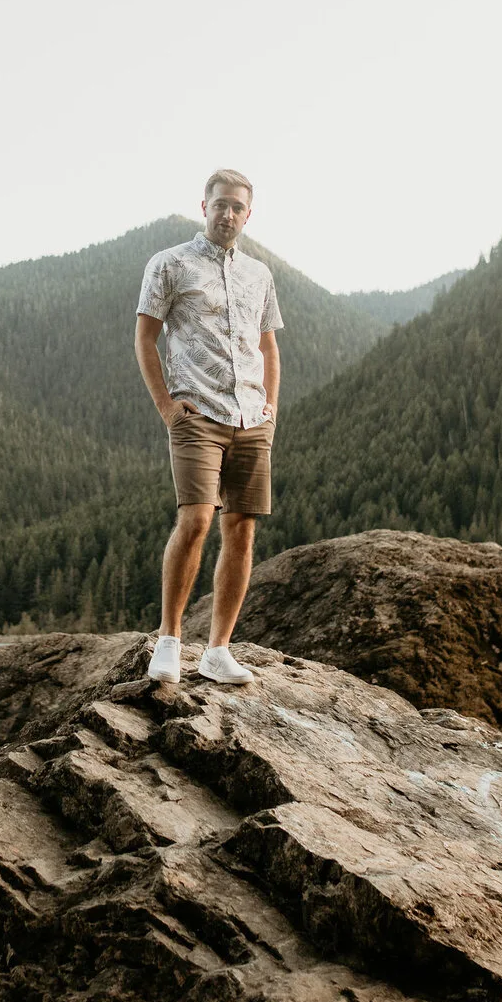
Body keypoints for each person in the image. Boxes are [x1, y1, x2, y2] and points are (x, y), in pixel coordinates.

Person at [134, 169, 281, 685]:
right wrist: (167, 407)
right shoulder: (170, 264)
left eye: (237, 207)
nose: (228, 213)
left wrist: (272, 408)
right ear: (204, 206)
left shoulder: (259, 275)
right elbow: (145, 337)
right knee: (196, 519)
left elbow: (267, 346)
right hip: (197, 414)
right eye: (220, 204)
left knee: (240, 528)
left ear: (248, 213)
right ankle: (170, 640)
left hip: (250, 416)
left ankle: (218, 650)